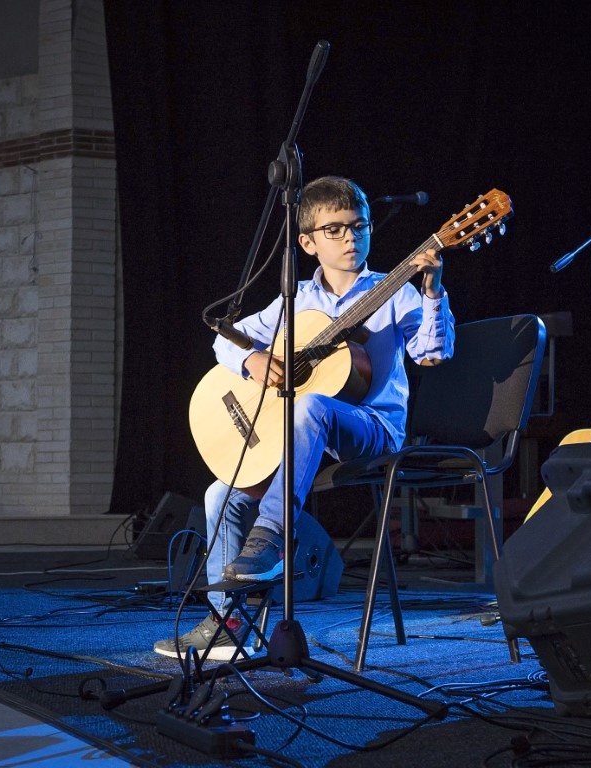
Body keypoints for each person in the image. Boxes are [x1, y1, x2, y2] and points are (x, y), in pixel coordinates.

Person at [154, 175, 455, 660]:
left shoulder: (395, 292)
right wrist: (253, 360)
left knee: (313, 405)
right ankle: (228, 624)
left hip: (371, 429)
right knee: (220, 494)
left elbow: (433, 355)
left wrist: (433, 290)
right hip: (302, 439)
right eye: (335, 229)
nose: (351, 238)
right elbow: (223, 340)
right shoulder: (295, 301)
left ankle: (271, 537)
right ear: (307, 242)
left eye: (360, 226)